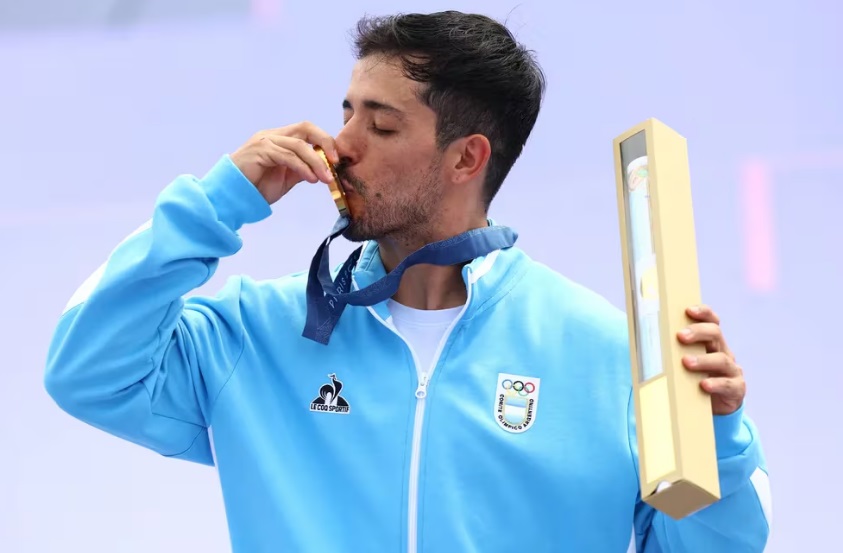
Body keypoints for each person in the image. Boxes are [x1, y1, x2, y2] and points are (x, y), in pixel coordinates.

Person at [44, 10, 771, 553]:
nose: (340, 147)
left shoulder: (610, 355)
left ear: (465, 159)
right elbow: (87, 370)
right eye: (346, 113)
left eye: (381, 127)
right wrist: (217, 204)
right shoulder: (254, 335)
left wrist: (717, 438)